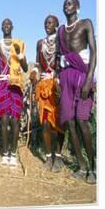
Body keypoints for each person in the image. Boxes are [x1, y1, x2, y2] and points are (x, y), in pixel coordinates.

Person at [57, 0, 97, 183]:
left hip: (82, 75)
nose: (67, 5)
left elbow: (94, 52)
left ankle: (94, 167)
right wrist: (59, 80)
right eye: (65, 3)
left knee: (82, 121)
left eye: (71, 3)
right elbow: (59, 56)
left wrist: (89, 80)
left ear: (78, 7)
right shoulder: (61, 30)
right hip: (66, 76)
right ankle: (81, 167)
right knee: (70, 123)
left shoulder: (86, 23)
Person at [0, 18, 28, 167]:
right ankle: (5, 152)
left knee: (15, 120)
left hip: (16, 84)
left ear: (12, 27)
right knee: (4, 120)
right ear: (1, 28)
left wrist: (19, 54)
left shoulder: (18, 44)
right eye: (4, 25)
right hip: (2, 85)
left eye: (9, 24)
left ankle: (13, 153)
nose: (6, 26)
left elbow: (25, 68)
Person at [30, 15, 65, 172]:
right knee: (45, 122)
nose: (47, 25)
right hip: (44, 86)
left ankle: (58, 156)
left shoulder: (61, 41)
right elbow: (38, 63)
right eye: (45, 23)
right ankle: (48, 156)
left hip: (57, 85)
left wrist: (59, 79)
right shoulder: (40, 43)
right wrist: (34, 73)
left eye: (50, 22)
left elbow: (64, 61)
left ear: (57, 24)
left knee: (58, 123)